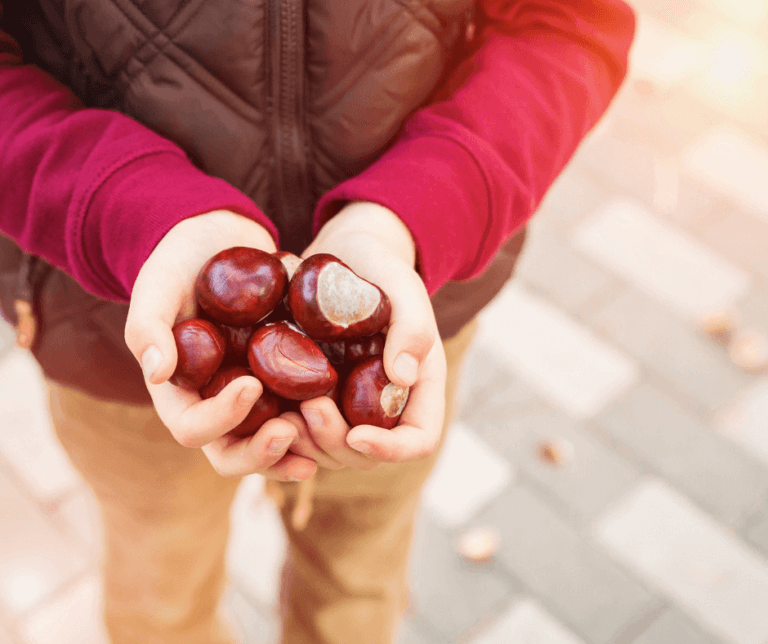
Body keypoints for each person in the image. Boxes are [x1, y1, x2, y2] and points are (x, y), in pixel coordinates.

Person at [0, 1, 635, 642]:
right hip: (123, 342)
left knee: (354, 588)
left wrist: (419, 207)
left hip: (397, 333)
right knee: (162, 599)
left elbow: (569, 23)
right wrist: (128, 206)